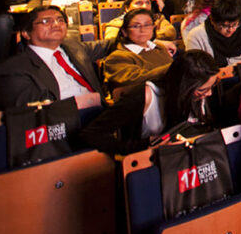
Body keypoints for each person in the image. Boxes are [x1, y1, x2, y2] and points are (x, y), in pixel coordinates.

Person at [79, 50, 219, 155]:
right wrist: (145, 146)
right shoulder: (145, 96)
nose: (209, 94)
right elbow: (90, 134)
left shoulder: (201, 93)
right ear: (183, 86)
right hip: (150, 160)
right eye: (202, 90)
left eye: (211, 87)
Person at [0, 6, 114, 110]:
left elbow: (108, 45)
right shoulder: (14, 69)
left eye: (60, 20)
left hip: (100, 113)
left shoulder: (73, 47)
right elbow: (32, 114)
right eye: (46, 21)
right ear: (26, 33)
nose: (56, 24)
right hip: (65, 123)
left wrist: (129, 25)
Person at [101, 8, 175, 94]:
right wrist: (173, 68)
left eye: (147, 25)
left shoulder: (160, 48)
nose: (143, 30)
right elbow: (138, 79)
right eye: (136, 26)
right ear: (124, 31)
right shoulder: (117, 57)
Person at [183, 0, 241, 66]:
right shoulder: (196, 36)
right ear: (213, 21)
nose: (230, 30)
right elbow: (194, 70)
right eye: (224, 26)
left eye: (235, 25)